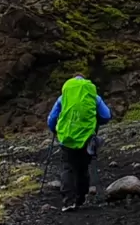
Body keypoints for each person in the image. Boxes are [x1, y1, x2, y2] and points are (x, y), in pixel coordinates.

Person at [46, 74, 112, 212]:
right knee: (83, 167)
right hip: (87, 138)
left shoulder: (63, 97)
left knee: (68, 167)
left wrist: (55, 130)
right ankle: (81, 197)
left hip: (67, 138)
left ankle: (68, 201)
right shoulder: (93, 97)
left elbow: (52, 119)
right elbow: (106, 116)